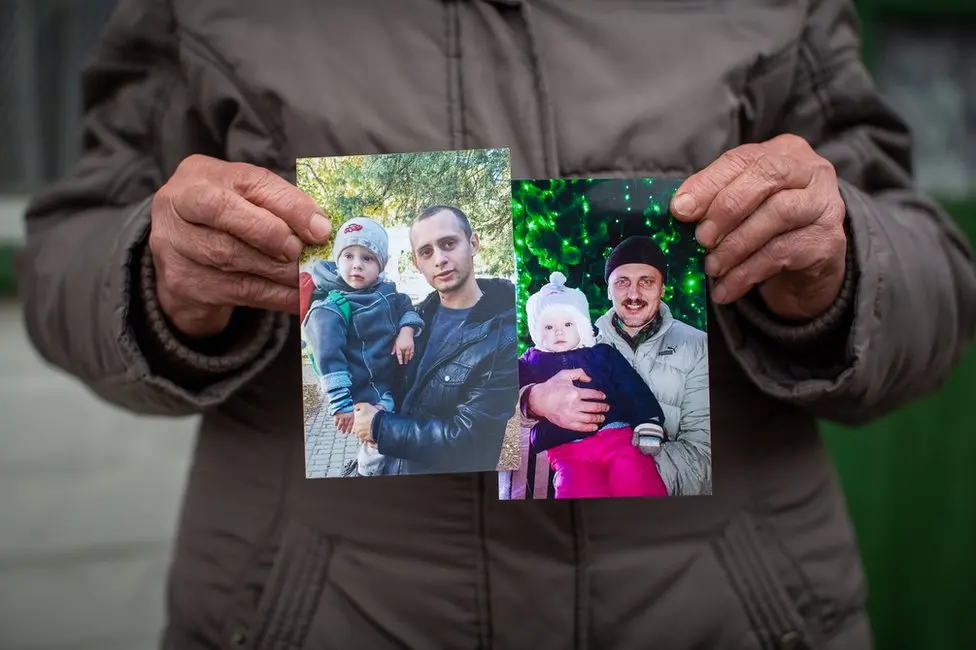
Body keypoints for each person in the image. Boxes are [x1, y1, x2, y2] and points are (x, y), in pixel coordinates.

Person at [15, 1, 976, 648]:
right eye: (416, 251)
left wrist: (839, 265)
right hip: (318, 609)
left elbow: (930, 269)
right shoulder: (397, 315)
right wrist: (157, 275)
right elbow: (75, 237)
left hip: (727, 605)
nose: (433, 260)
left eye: (447, 248)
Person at [516, 234, 711, 497]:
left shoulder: (699, 346)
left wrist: (633, 469)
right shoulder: (578, 338)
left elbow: (705, 453)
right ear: (608, 289)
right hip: (574, 462)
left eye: (647, 281)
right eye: (622, 282)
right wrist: (531, 399)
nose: (633, 293)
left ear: (663, 288)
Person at [349, 205, 518, 476]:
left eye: (449, 243)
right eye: (426, 252)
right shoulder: (415, 319)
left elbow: (472, 441)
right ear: (417, 262)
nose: (439, 259)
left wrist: (380, 426)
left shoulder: (504, 337)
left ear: (472, 243)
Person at [518, 271, 668, 499]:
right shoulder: (530, 361)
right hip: (567, 449)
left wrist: (647, 421)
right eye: (548, 327)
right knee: (577, 489)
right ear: (537, 333)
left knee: (636, 479)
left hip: (617, 437)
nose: (558, 331)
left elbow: (630, 385)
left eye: (568, 323)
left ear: (581, 325)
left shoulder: (602, 353)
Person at [301, 215, 424, 477]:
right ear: (338, 260)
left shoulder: (385, 291)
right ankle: (364, 476)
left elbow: (405, 306)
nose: (357, 265)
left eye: (367, 258)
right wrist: (340, 405)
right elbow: (329, 361)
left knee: (388, 441)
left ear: (380, 265)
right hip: (366, 395)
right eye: (349, 256)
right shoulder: (330, 308)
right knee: (377, 444)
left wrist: (407, 330)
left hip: (391, 385)